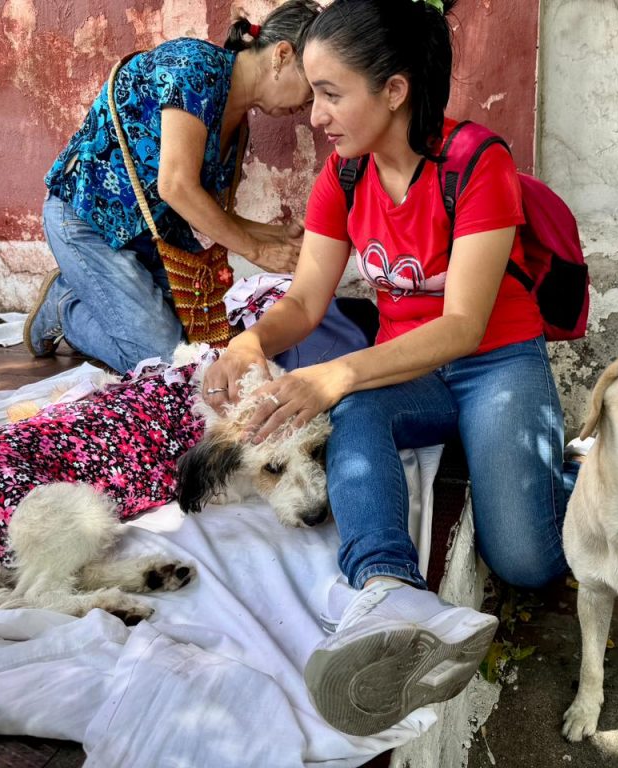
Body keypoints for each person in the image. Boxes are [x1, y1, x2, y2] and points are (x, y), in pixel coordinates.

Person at [202, 0, 579, 736]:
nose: (315, 115)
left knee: (527, 562)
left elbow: (465, 324)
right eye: (313, 93)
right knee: (352, 409)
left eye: (332, 94)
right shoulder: (343, 179)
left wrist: (338, 373)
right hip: (412, 371)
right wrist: (250, 342)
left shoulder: (476, 164)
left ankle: (580, 466)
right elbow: (307, 299)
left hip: (495, 361)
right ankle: (388, 586)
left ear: (396, 90)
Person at [25, 0, 321, 373]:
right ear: (282, 55)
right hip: (88, 221)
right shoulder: (194, 65)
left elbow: (205, 211)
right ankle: (65, 304)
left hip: (152, 239)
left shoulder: (239, 124)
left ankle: (92, 294)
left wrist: (278, 235)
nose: (311, 108)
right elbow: (176, 186)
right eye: (312, 90)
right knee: (166, 361)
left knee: (205, 346)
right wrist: (259, 251)